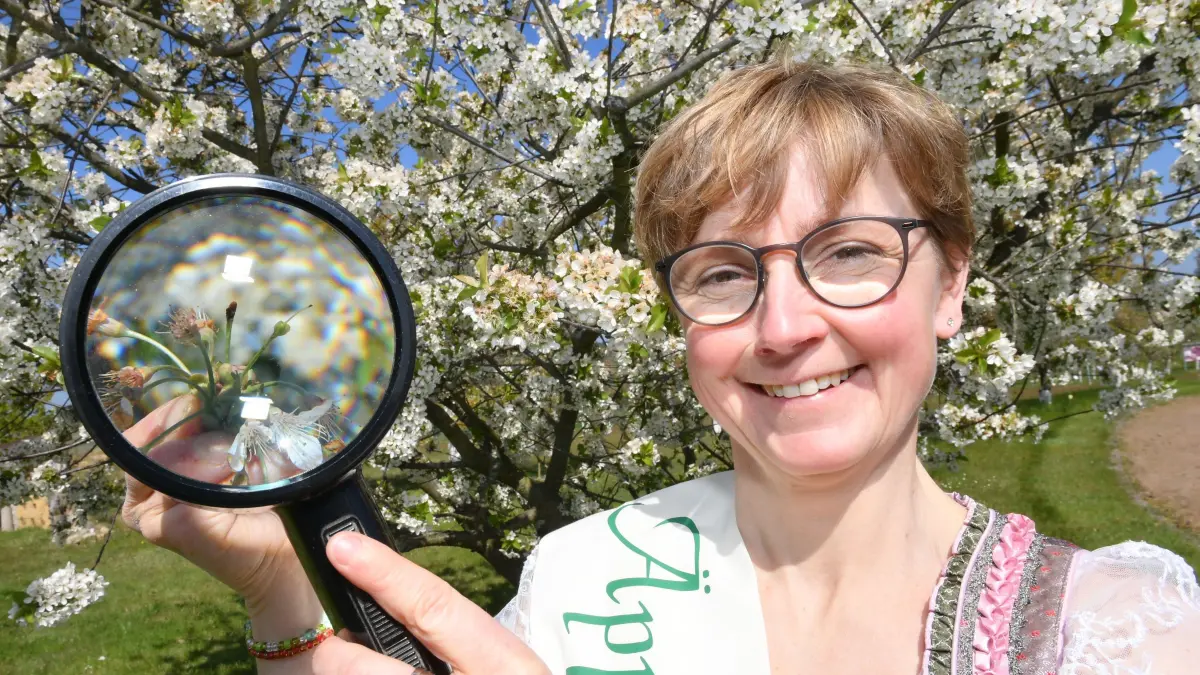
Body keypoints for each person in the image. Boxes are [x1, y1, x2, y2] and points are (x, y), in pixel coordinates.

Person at [120, 57, 1200, 674]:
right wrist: (277, 583)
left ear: (951, 283)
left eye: (850, 253)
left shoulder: (1119, 635)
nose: (784, 325)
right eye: (724, 272)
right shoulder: (576, 581)